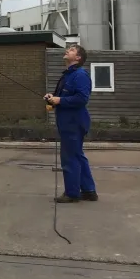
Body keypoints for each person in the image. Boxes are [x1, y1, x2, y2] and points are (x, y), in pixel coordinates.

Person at [44, 44, 98, 203]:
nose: (67, 50)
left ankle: (72, 193)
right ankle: (89, 191)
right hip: (69, 122)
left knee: (70, 158)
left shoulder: (80, 75)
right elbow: (64, 97)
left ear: (78, 58)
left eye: (72, 50)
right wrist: (52, 98)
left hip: (73, 123)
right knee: (78, 156)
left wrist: (60, 100)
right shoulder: (68, 75)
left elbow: (82, 98)